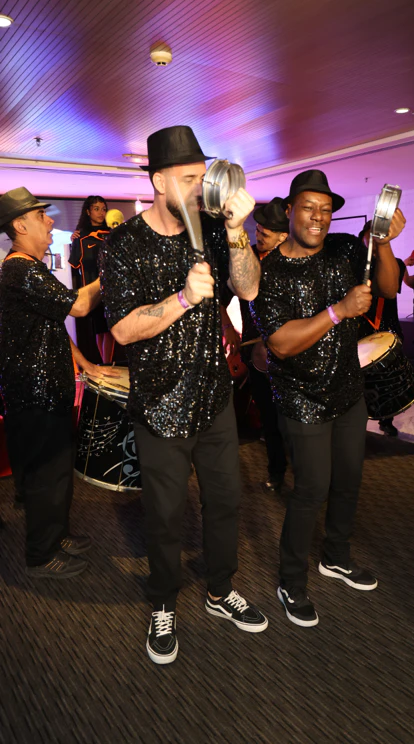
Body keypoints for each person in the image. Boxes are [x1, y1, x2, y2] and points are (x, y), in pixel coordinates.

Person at [100, 125, 268, 665]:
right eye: (190, 178)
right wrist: (182, 298)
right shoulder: (123, 244)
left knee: (225, 502)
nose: (201, 188)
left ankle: (220, 590)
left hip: (215, 396)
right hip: (159, 401)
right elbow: (122, 329)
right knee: (166, 515)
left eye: (203, 177)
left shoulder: (216, 230)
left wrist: (238, 232)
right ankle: (163, 601)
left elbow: (249, 288)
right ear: (158, 181)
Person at [251, 169, 406, 627]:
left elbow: (390, 287)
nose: (318, 216)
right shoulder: (268, 272)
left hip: (348, 391)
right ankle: (291, 581)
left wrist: (383, 243)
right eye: (308, 207)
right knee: (311, 489)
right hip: (302, 398)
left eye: (325, 209)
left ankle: (336, 557)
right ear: (289, 211)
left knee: (349, 480)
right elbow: (281, 344)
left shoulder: (344, 250)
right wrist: (338, 311)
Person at [0, 187, 116, 579]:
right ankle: (40, 555)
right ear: (20, 225)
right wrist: (107, 270)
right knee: (45, 477)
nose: (51, 221)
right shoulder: (20, 269)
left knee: (58, 473)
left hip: (48, 390)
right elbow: (79, 306)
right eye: (41, 216)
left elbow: (52, 323)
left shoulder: (29, 268)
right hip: (35, 395)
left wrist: (84, 362)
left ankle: (57, 535)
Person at [225, 197, 289, 490]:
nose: (259, 235)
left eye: (266, 232)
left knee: (294, 418)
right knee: (269, 415)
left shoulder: (293, 262)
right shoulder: (245, 257)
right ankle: (276, 471)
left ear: (284, 236)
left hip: (291, 352)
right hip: (257, 354)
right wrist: (229, 330)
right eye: (258, 229)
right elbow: (219, 300)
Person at [358, 221, 407, 437]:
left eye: (379, 238)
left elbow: (390, 289)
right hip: (362, 329)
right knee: (362, 381)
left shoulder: (396, 264)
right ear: (362, 238)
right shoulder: (354, 265)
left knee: (389, 381)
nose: (375, 242)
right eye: (371, 238)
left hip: (388, 326)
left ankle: (387, 419)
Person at [69, 196, 114, 363]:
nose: (101, 212)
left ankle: (106, 364)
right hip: (91, 291)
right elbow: (74, 265)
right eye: (96, 209)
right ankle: (105, 363)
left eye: (103, 209)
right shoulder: (81, 237)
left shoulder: (112, 235)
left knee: (109, 329)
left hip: (112, 289)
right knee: (100, 329)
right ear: (88, 212)